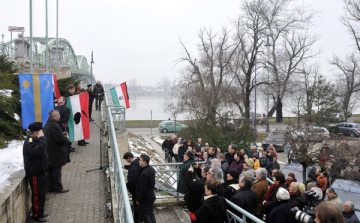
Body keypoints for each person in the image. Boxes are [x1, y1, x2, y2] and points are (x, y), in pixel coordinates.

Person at [23, 122, 49, 222]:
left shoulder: (35, 139)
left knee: (41, 194)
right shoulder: (29, 142)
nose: (42, 133)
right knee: (37, 195)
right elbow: (40, 150)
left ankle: (40, 212)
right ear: (35, 132)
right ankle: (37, 215)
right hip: (35, 173)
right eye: (41, 131)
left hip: (40, 172)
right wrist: (42, 138)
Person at [43, 109, 69, 193]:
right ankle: (58, 187)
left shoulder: (48, 124)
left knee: (50, 170)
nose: (59, 116)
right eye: (58, 115)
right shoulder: (54, 125)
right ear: (53, 116)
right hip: (55, 152)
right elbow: (60, 139)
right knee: (56, 171)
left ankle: (50, 187)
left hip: (50, 151)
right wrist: (66, 138)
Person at [136, 154, 156, 223]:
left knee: (146, 217)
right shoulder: (151, 169)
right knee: (151, 214)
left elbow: (143, 189)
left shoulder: (144, 173)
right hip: (151, 195)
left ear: (145, 162)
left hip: (145, 199)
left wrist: (139, 200)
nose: (139, 161)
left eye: (140, 160)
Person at [122, 152, 141, 223]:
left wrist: (126, 186)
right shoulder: (137, 161)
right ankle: (141, 218)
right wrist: (126, 166)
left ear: (129, 158)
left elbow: (132, 180)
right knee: (140, 204)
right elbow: (133, 166)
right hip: (139, 188)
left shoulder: (133, 167)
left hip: (135, 189)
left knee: (136, 205)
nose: (127, 161)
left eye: (127, 160)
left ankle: (136, 220)